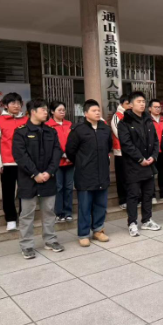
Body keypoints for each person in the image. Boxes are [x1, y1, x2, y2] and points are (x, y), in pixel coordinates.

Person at [12, 99, 64, 259]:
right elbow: (20, 156)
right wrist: (35, 173)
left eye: (46, 110)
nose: (46, 112)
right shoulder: (21, 132)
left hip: (48, 178)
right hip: (28, 180)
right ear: (33, 112)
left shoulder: (51, 131)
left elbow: (57, 152)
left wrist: (49, 172)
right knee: (27, 214)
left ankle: (50, 240)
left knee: (49, 212)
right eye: (43, 110)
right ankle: (27, 245)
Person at [66, 100, 113, 246]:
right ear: (86, 113)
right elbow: (70, 151)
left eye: (98, 110)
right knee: (85, 206)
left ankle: (98, 230)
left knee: (101, 204)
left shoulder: (105, 129)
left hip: (102, 172)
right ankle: (83, 234)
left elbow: (109, 147)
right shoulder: (78, 130)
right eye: (94, 110)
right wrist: (82, 162)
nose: (97, 113)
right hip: (85, 173)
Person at [118, 91, 162, 236]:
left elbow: (155, 141)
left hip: (149, 164)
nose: (142, 104)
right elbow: (126, 144)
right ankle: (132, 223)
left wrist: (153, 157)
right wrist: (140, 159)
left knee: (148, 193)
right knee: (133, 195)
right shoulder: (124, 122)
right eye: (139, 101)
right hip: (133, 165)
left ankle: (147, 220)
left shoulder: (148, 120)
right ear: (130, 105)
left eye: (143, 101)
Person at [0, 92, 27, 231]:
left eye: (18, 103)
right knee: (8, 192)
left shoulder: (26, 120)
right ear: (5, 105)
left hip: (24, 162)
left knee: (25, 191)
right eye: (13, 103)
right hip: (7, 163)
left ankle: (24, 216)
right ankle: (10, 218)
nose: (16, 106)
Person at [46, 101, 74, 223]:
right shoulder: (47, 125)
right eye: (59, 110)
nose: (62, 112)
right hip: (56, 162)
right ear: (52, 111)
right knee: (58, 187)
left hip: (70, 161)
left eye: (64, 110)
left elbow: (74, 141)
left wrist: (70, 154)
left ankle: (68, 212)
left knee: (69, 187)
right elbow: (49, 145)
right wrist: (62, 154)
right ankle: (58, 213)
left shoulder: (69, 124)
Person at [111, 95, 131, 210]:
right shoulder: (117, 116)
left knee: (130, 177)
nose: (130, 105)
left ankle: (132, 198)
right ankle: (123, 200)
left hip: (131, 152)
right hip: (120, 152)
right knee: (122, 177)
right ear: (122, 104)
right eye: (127, 103)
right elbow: (119, 134)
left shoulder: (132, 115)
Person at [149, 99, 163, 203]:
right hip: (152, 151)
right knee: (151, 174)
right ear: (150, 108)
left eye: (159, 107)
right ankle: (152, 195)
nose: (157, 109)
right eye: (155, 107)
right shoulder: (147, 120)